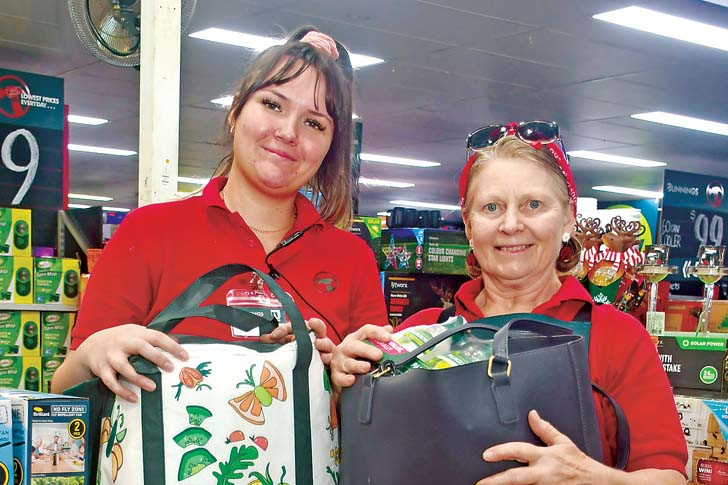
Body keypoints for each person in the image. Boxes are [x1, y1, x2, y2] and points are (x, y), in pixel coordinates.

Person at [331, 121, 687, 485]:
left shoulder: (616, 337)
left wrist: (594, 479)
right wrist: (346, 385)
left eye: (533, 204)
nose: (511, 224)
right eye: (491, 207)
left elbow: (670, 478)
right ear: (469, 226)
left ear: (568, 217)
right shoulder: (422, 331)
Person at [51, 26, 387, 402]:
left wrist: (339, 379)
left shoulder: (352, 258)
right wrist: (99, 350)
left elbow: (377, 415)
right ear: (236, 111)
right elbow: (65, 388)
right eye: (273, 104)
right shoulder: (149, 232)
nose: (288, 132)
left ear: (330, 147)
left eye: (314, 123)